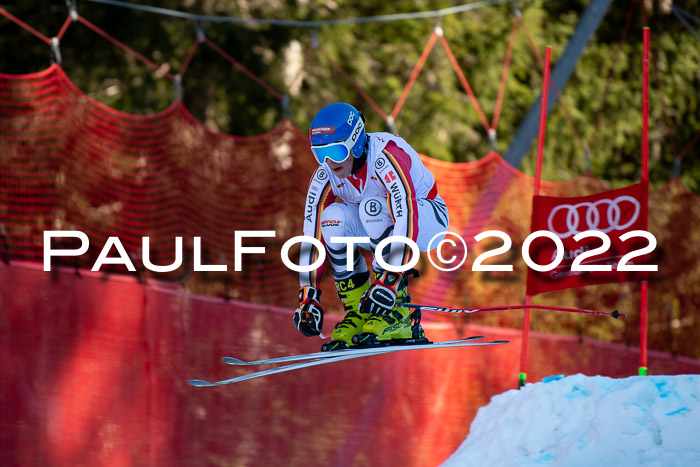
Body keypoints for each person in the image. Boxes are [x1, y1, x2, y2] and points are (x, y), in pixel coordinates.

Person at [293, 102, 449, 351]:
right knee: (332, 217)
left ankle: (399, 313)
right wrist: (308, 293)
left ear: (355, 142)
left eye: (336, 151)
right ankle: (360, 310)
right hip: (384, 224)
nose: (330, 162)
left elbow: (406, 215)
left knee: (372, 208)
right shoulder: (326, 175)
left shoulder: (385, 157)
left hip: (428, 220)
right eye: (321, 154)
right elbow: (311, 235)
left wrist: (390, 279)